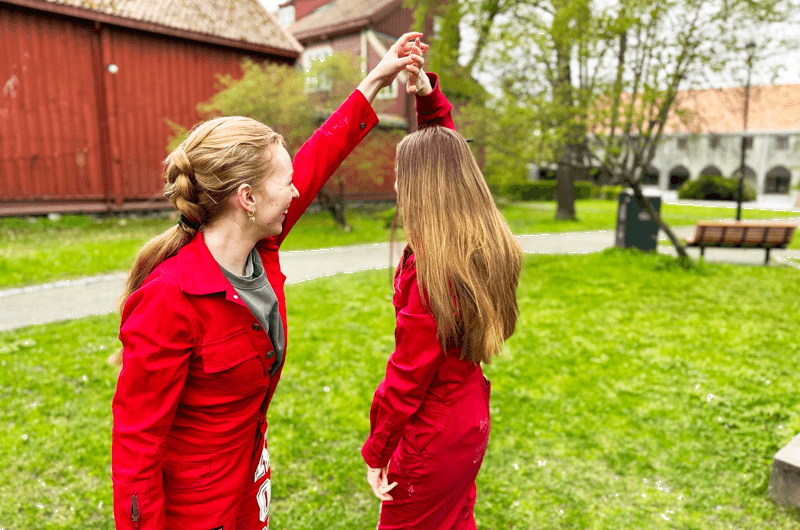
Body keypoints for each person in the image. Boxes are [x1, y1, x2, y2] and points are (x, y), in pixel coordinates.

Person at [111, 33, 427, 530]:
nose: (297, 190)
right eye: (285, 182)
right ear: (247, 198)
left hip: (248, 483)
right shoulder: (169, 297)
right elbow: (136, 446)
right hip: (197, 511)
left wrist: (376, 80)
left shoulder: (261, 246)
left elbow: (319, 158)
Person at [361, 59, 523, 529]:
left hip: (430, 437)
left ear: (420, 189)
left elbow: (407, 376)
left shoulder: (431, 274)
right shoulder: (476, 246)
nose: (396, 183)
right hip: (468, 421)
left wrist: (377, 450)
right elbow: (449, 160)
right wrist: (428, 98)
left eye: (402, 174)